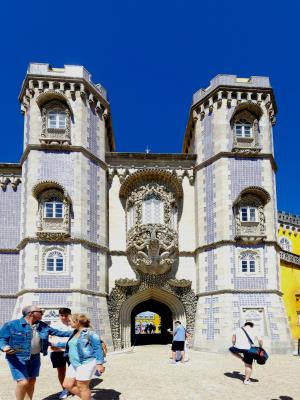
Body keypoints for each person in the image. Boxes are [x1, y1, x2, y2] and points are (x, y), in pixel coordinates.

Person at [0, 305, 73, 400]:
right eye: (40, 311)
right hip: (17, 357)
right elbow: (2, 338)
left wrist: (79, 331)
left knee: (32, 381)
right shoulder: (11, 324)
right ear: (31, 313)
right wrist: (4, 347)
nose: (42, 313)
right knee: (23, 382)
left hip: (35, 357)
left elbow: (59, 333)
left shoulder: (42, 325)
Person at [62, 313, 105, 400]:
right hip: (74, 363)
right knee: (67, 384)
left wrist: (99, 363)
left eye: (70, 321)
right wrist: (54, 344)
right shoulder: (75, 332)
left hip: (86, 363)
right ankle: (88, 398)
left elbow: (98, 348)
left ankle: (86, 398)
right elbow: (73, 345)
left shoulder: (90, 333)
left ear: (77, 322)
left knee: (82, 386)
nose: (69, 322)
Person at [49, 308, 73, 400]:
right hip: (57, 351)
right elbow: (49, 336)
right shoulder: (54, 324)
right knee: (61, 371)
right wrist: (51, 344)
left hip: (71, 351)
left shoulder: (73, 324)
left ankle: (73, 387)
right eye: (61, 315)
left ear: (69, 315)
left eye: (65, 315)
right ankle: (65, 389)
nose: (63, 317)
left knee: (74, 370)